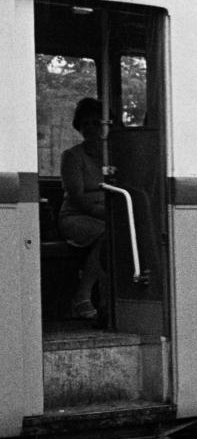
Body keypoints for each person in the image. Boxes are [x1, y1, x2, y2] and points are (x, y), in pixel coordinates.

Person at [58, 97, 107, 320]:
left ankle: (108, 301)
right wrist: (103, 212)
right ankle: (82, 296)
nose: (90, 128)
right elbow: (76, 197)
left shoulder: (112, 155)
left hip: (107, 215)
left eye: (95, 123)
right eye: (85, 124)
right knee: (107, 234)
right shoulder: (72, 156)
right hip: (76, 217)